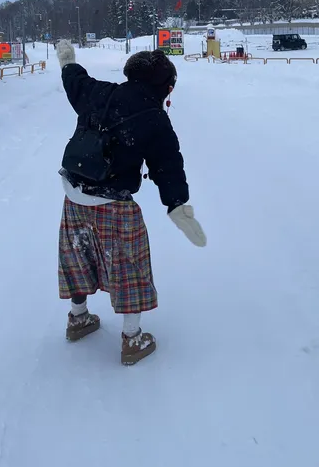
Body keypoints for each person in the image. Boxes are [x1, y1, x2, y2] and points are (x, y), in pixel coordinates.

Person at [55, 40, 206, 366]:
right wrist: (178, 206)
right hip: (115, 204)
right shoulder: (154, 117)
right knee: (128, 267)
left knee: (78, 258)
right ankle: (132, 338)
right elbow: (167, 166)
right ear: (165, 87)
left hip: (74, 195)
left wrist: (67, 61)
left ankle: (78, 318)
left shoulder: (101, 92)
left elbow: (74, 82)